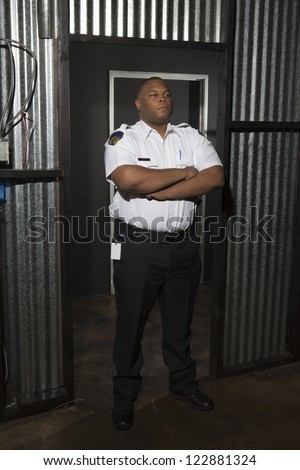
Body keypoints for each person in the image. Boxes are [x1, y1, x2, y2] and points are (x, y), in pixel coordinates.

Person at [104, 77, 224, 430]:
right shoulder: (123, 138)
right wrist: (185, 173)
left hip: (184, 246)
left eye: (167, 94)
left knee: (179, 324)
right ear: (138, 103)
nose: (163, 99)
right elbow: (128, 179)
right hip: (139, 246)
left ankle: (183, 386)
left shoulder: (190, 135)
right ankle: (124, 399)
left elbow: (215, 177)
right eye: (153, 94)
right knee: (130, 325)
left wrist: (163, 191)